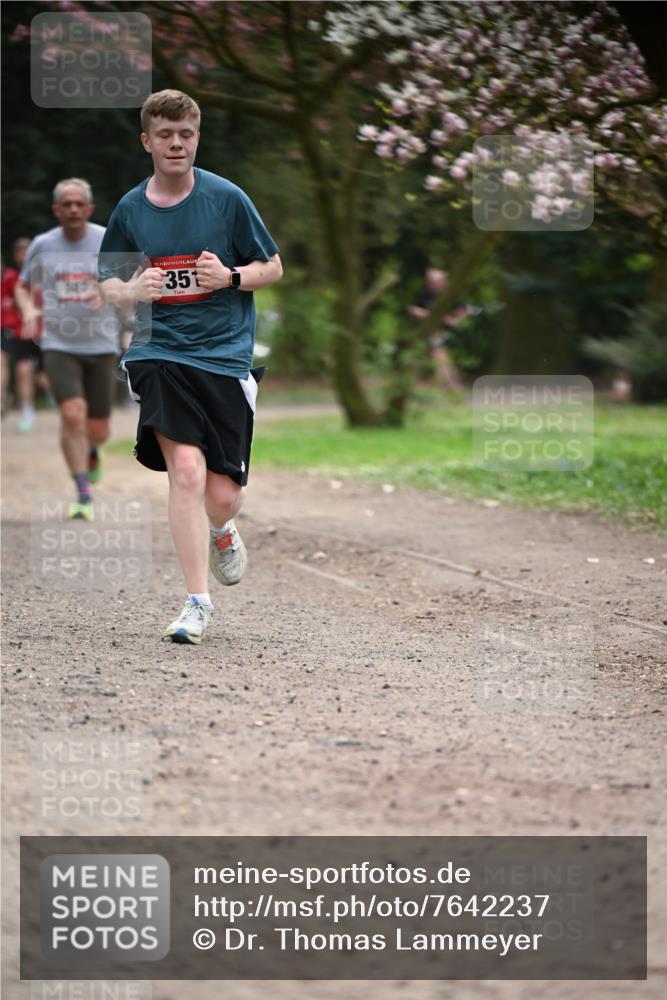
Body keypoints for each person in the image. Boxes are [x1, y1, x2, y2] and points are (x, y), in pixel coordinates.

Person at [99, 89, 283, 645]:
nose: (175, 144)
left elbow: (271, 268)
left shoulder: (227, 199)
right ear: (147, 141)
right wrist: (133, 288)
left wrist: (228, 277)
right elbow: (107, 284)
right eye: (164, 135)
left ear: (196, 139)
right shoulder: (131, 209)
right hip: (158, 352)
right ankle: (196, 603)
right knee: (185, 471)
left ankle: (221, 529)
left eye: (185, 135)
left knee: (222, 495)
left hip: (224, 356)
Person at [16, 179, 119, 519]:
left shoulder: (106, 239)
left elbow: (131, 279)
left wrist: (107, 292)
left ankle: (91, 450)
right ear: (56, 209)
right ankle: (83, 493)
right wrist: (29, 308)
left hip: (102, 343)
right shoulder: (43, 245)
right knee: (72, 413)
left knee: (98, 429)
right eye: (67, 204)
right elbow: (22, 286)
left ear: (88, 209)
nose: (73, 209)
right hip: (59, 343)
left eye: (79, 204)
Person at [407, 267, 468, 392]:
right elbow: (413, 309)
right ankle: (449, 385)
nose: (431, 284)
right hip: (430, 331)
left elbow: (464, 310)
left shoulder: (450, 295)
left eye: (434, 281)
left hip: (447, 331)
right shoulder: (425, 294)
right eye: (429, 281)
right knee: (437, 355)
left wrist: (454, 320)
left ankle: (450, 385)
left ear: (443, 281)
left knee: (440, 355)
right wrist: (426, 314)